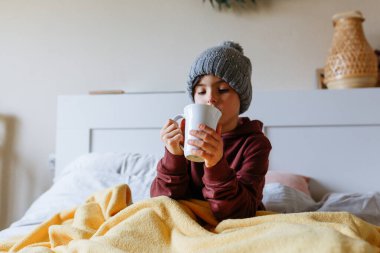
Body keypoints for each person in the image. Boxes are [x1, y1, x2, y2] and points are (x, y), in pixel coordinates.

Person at [150, 41, 272, 221]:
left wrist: (216, 165)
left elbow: (242, 212)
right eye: (201, 91)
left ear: (242, 97)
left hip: (230, 218)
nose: (210, 98)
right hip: (187, 220)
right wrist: (173, 156)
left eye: (222, 89)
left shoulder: (255, 144)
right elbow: (162, 202)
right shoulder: (184, 138)